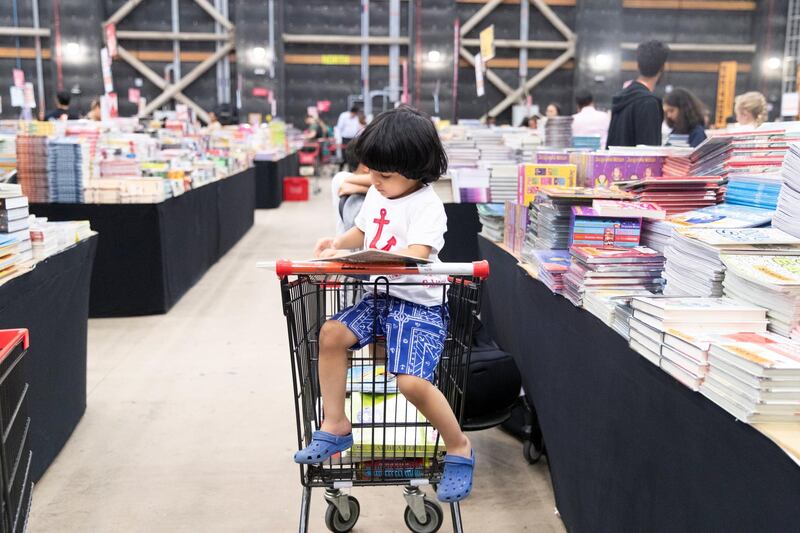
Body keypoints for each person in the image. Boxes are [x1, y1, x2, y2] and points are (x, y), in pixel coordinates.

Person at [298, 106, 475, 503]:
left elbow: (416, 253)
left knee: (410, 382)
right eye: (373, 172)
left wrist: (376, 259)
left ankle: (459, 446)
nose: (374, 182)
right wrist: (338, 244)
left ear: (416, 169)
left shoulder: (428, 207)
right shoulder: (379, 191)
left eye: (384, 175)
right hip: (381, 294)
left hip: (419, 304)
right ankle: (336, 423)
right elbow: (362, 227)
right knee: (331, 333)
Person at [606, 40, 670, 147]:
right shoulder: (649, 103)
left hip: (616, 163)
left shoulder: (621, 98)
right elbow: (650, 155)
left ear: (637, 66)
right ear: (662, 67)